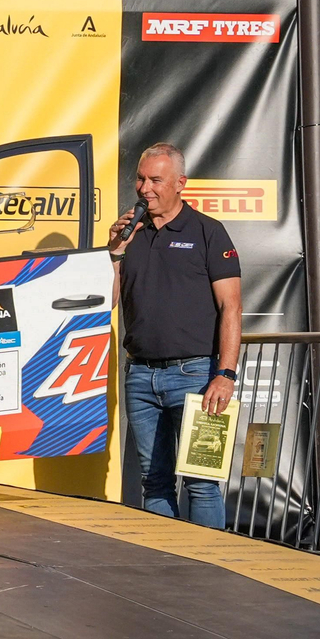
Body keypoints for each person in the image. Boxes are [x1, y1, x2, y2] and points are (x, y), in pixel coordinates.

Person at [110, 143, 242, 529]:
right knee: (154, 482)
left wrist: (225, 374)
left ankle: (209, 561)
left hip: (197, 374)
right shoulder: (129, 234)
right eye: (140, 179)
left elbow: (231, 308)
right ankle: (164, 561)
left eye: (155, 180)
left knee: (202, 483)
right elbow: (106, 302)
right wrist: (115, 254)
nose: (144, 188)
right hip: (140, 375)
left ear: (180, 183)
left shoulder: (208, 232)